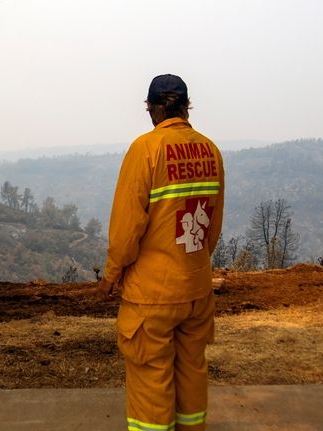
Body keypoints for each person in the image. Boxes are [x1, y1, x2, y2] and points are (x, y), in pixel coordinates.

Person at [94, 74, 225, 431]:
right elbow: (212, 227)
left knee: (151, 376)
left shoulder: (145, 149)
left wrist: (111, 276)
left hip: (152, 295)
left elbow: (126, 228)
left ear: (151, 109)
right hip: (196, 287)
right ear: (187, 107)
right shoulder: (210, 150)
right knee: (191, 370)